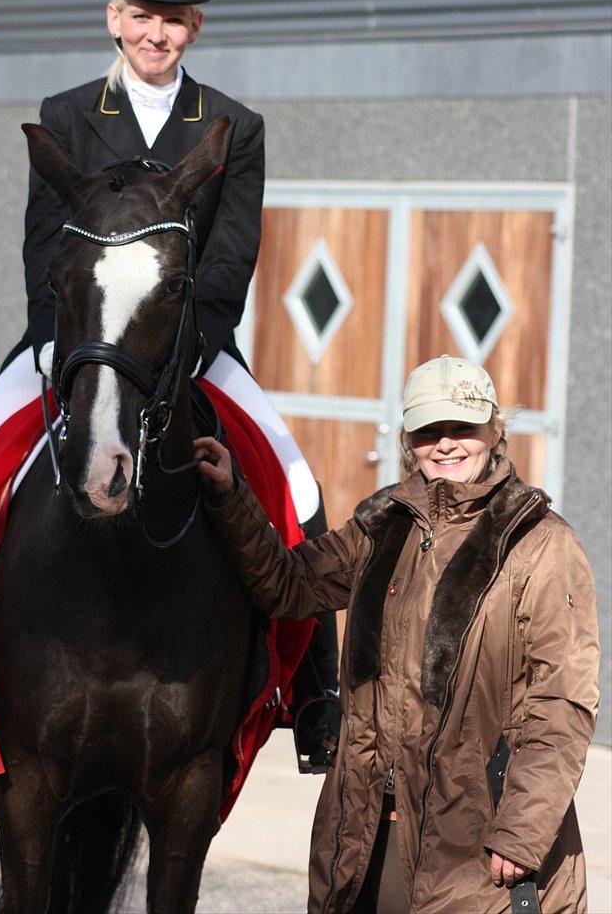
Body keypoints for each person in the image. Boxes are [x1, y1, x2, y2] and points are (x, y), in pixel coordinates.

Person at [0, 0, 339, 756]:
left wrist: (183, 352)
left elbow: (231, 260)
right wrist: (74, 348)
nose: (158, 33)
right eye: (143, 15)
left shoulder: (235, 126)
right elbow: (45, 249)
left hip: (188, 342)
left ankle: (314, 696)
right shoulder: (69, 115)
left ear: (195, 28)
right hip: (72, 339)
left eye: (175, 19)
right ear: (115, 18)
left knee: (301, 486)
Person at [194, 354, 599, 913]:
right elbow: (287, 585)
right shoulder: (383, 524)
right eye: (430, 429)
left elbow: (562, 702)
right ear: (409, 438)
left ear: (496, 429)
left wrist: (522, 833)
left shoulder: (541, 545)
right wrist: (229, 495)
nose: (447, 443)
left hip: (477, 851)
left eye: (463, 427)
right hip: (365, 836)